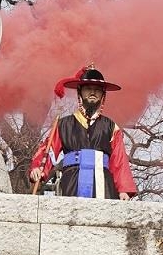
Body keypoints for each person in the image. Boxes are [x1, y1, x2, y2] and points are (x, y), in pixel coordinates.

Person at [28, 65, 136, 199]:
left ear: (103, 95)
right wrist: (38, 168)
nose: (93, 93)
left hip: (103, 184)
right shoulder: (63, 124)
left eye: (97, 90)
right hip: (71, 181)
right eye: (88, 89)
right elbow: (48, 151)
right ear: (80, 92)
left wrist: (123, 190)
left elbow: (119, 160)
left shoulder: (111, 127)